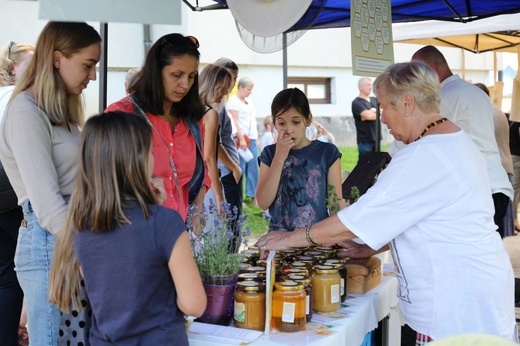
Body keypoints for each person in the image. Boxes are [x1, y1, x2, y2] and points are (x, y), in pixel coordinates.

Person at [255, 62, 517, 344]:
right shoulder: (454, 140)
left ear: (406, 103)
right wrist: (369, 247)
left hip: (454, 309)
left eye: (384, 107)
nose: (382, 118)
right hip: (472, 297)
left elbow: (353, 221)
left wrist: (290, 239)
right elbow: (422, 220)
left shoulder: (423, 156)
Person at [49, 111, 206, 344]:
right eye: (151, 152)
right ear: (138, 160)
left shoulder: (79, 225)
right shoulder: (164, 222)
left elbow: (115, 285)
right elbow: (194, 304)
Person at [0, 22, 101, 345]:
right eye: (88, 65)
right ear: (58, 58)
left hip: (68, 239)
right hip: (51, 245)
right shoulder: (25, 111)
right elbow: (47, 206)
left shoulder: (59, 109)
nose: (93, 76)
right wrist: (96, 249)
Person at [106, 34, 210, 235]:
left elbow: (202, 168)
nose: (185, 85)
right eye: (177, 75)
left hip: (177, 236)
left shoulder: (193, 120)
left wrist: (197, 209)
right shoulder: (122, 114)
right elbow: (103, 181)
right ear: (155, 72)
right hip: (133, 236)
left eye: (191, 76)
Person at [411, 45, 514, 238]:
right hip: (493, 183)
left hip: (480, 188)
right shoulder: (473, 91)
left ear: (432, 68)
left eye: (418, 72)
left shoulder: (446, 97)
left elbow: (420, 137)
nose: (415, 79)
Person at [256, 88, 343, 231]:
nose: (288, 129)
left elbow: (335, 204)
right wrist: (279, 157)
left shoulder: (327, 153)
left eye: (295, 122)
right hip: (279, 240)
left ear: (308, 120)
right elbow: (263, 202)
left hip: (316, 240)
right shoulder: (270, 154)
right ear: (274, 123)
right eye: (282, 123)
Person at [0, 41, 34, 346]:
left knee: (5, 276)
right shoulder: (19, 99)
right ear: (14, 69)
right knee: (20, 275)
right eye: (32, 63)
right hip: (12, 195)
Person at [474, 83, 515, 237]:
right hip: (505, 166)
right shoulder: (498, 111)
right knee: (501, 222)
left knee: (495, 226)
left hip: (495, 171)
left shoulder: (483, 113)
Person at [214, 58, 244, 250]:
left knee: (234, 225)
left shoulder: (221, 102)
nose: (230, 83)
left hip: (229, 169)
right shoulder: (214, 104)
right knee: (231, 227)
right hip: (226, 172)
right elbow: (213, 145)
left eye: (234, 78)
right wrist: (234, 167)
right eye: (227, 77)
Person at [198, 63, 232, 216]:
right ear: (212, 84)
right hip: (206, 184)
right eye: (223, 87)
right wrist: (219, 196)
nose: (225, 92)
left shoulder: (185, 109)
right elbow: (209, 157)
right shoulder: (210, 114)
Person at [227, 76, 259, 205]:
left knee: (253, 168)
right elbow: (234, 121)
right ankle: (238, 198)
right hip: (240, 139)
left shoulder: (249, 102)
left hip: (252, 138)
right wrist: (241, 139)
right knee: (239, 168)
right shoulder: (233, 101)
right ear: (240, 87)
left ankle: (253, 196)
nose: (250, 92)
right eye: (248, 89)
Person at [352, 77, 378, 159]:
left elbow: (384, 111)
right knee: (364, 164)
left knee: (376, 164)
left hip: (376, 138)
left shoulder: (374, 100)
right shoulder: (357, 102)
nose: (370, 87)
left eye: (371, 85)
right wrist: (376, 113)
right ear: (360, 87)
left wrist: (373, 111)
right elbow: (368, 116)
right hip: (365, 140)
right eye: (368, 85)